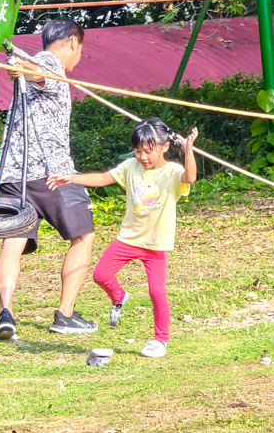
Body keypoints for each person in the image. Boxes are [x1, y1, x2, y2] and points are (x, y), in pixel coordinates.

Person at [47, 118, 197, 359]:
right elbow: (104, 178)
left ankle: (161, 340)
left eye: (148, 151)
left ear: (165, 147)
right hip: (128, 238)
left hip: (155, 244)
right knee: (101, 275)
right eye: (138, 151)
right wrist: (72, 178)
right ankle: (119, 297)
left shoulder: (172, 172)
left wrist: (188, 151)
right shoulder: (130, 166)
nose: (142, 157)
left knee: (157, 292)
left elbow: (190, 178)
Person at [0, 19, 97, 340]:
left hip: (11, 173)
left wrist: (20, 67)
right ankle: (65, 316)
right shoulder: (52, 63)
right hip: (50, 172)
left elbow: (30, 70)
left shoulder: (38, 67)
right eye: (80, 49)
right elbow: (40, 71)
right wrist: (23, 67)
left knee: (14, 241)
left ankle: (6, 313)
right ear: (73, 44)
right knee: (84, 236)